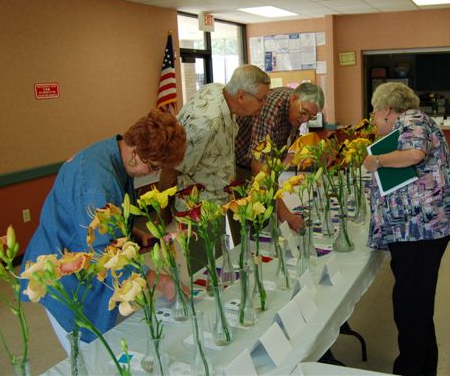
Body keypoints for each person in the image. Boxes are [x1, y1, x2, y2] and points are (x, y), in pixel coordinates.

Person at [20, 109, 187, 353]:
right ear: (134, 153)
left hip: (83, 260)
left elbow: (107, 220)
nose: (153, 174)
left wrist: (131, 236)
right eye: (153, 166)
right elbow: (103, 252)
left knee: (107, 344)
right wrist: (160, 281)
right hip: (63, 274)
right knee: (88, 355)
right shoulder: (95, 180)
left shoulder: (115, 156)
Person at [362, 82, 450, 376]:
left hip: (420, 230)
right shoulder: (411, 124)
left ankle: (410, 368)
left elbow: (415, 154)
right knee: (416, 303)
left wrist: (376, 161)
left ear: (387, 110)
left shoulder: (413, 120)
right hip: (418, 230)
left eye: (373, 110)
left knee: (410, 306)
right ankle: (422, 367)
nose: (372, 117)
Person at [159, 64, 271, 268]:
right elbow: (170, 167)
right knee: (207, 270)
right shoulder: (206, 122)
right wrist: (163, 213)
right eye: (261, 99)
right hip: (198, 210)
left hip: (217, 200)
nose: (264, 105)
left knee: (221, 263)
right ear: (242, 96)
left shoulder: (222, 93)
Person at [235, 82, 325, 232]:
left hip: (264, 166)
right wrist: (286, 215)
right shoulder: (271, 108)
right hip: (240, 166)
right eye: (304, 112)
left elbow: (283, 154)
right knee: (250, 228)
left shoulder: (295, 111)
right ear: (294, 98)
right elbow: (259, 167)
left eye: (311, 117)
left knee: (269, 223)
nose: (304, 120)